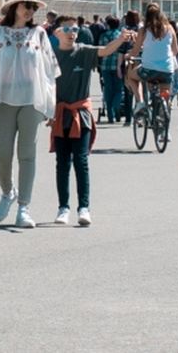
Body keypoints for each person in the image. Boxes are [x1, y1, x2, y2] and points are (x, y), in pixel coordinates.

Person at [0, 0, 59, 229]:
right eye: (26, 5)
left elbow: (50, 73)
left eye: (33, 7)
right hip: (3, 100)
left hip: (31, 101)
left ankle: (24, 207)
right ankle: (7, 192)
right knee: (1, 155)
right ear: (14, 6)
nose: (30, 10)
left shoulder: (39, 35)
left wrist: (51, 106)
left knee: (27, 155)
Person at [50, 15, 136, 226]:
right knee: (62, 163)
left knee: (81, 160)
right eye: (67, 29)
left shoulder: (84, 51)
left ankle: (84, 208)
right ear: (57, 32)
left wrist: (121, 39)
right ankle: (63, 208)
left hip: (81, 113)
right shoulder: (50, 56)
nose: (72, 33)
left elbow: (105, 50)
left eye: (75, 29)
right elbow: (44, 83)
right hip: (60, 114)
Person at [124, 3, 178, 115]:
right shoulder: (169, 28)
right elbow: (175, 50)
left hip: (148, 69)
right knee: (165, 93)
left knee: (130, 76)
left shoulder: (143, 31)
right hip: (167, 69)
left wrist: (128, 55)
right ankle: (164, 122)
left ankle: (140, 102)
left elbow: (135, 51)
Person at [96, 16, 126, 121]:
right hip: (118, 65)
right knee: (118, 89)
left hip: (105, 65)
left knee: (108, 89)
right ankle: (116, 106)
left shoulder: (103, 35)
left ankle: (110, 114)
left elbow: (100, 50)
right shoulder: (120, 36)